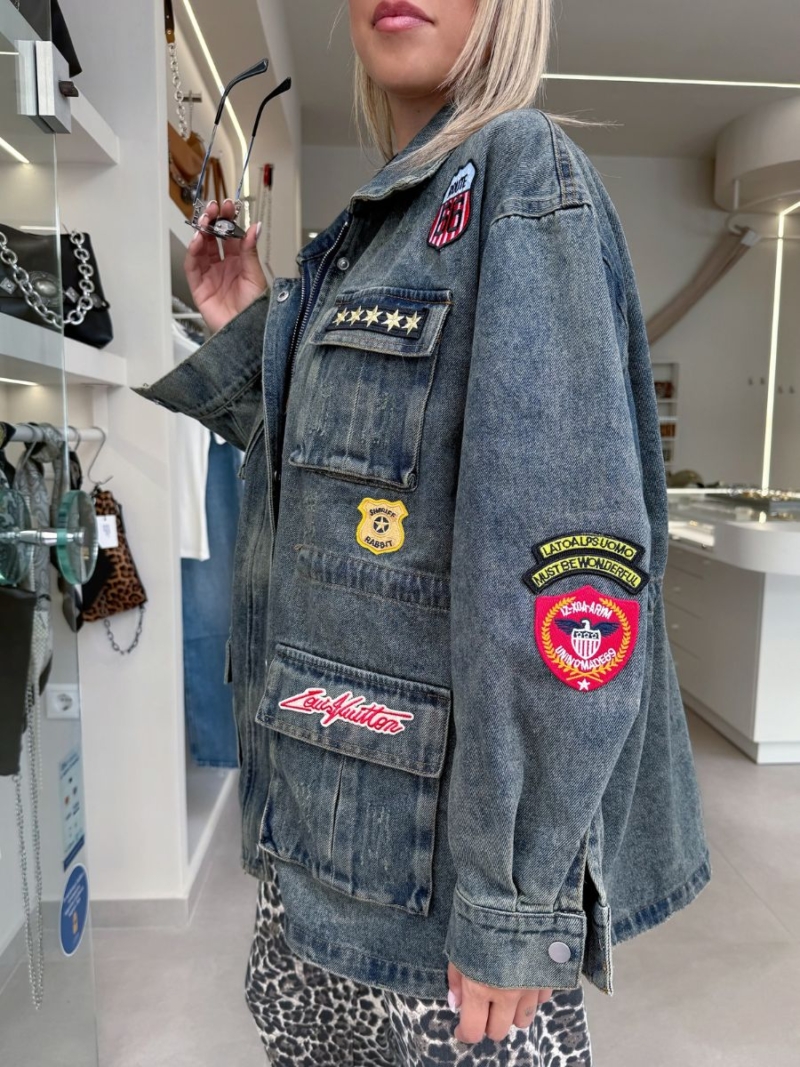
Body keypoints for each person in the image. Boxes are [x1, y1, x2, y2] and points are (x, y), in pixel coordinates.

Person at [135, 0, 712, 1063]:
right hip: (324, 847)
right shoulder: (373, 230)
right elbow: (344, 501)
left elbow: (561, 573)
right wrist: (256, 326)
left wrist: (514, 904)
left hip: (436, 913)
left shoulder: (520, 175)